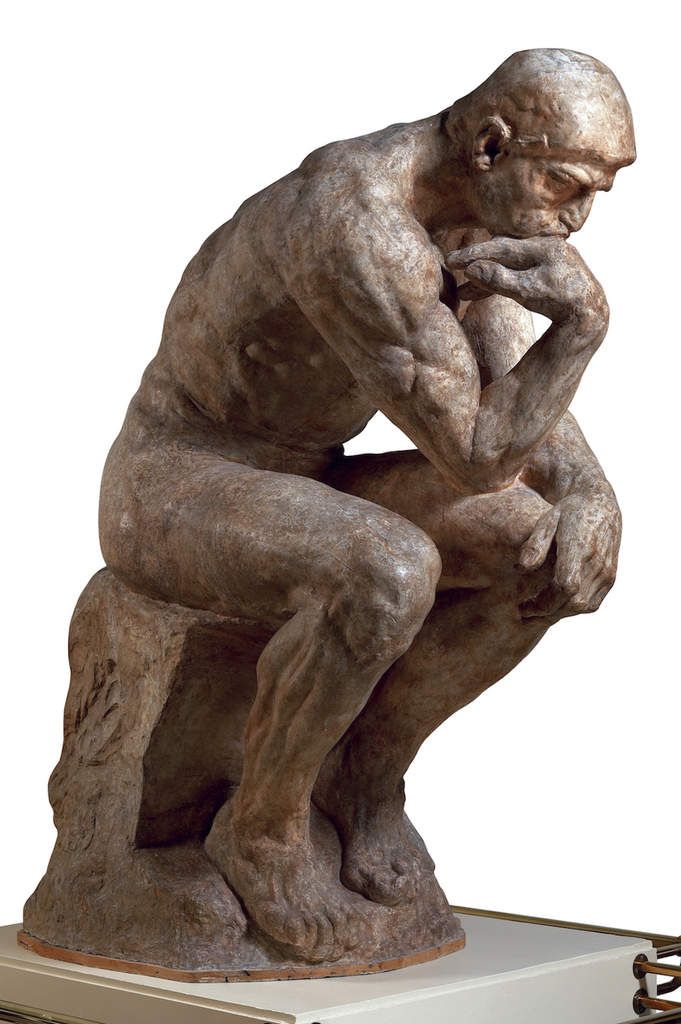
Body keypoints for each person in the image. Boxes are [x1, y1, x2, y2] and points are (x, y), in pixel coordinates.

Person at [99, 48, 635, 962]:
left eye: (596, 193)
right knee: (387, 569)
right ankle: (261, 831)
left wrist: (587, 488)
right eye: (564, 185)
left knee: (535, 544)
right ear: (490, 144)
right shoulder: (356, 219)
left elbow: (508, 381)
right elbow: (477, 453)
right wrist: (583, 326)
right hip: (177, 477)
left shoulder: (475, 211)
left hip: (308, 473)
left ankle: (365, 777)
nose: (577, 218)